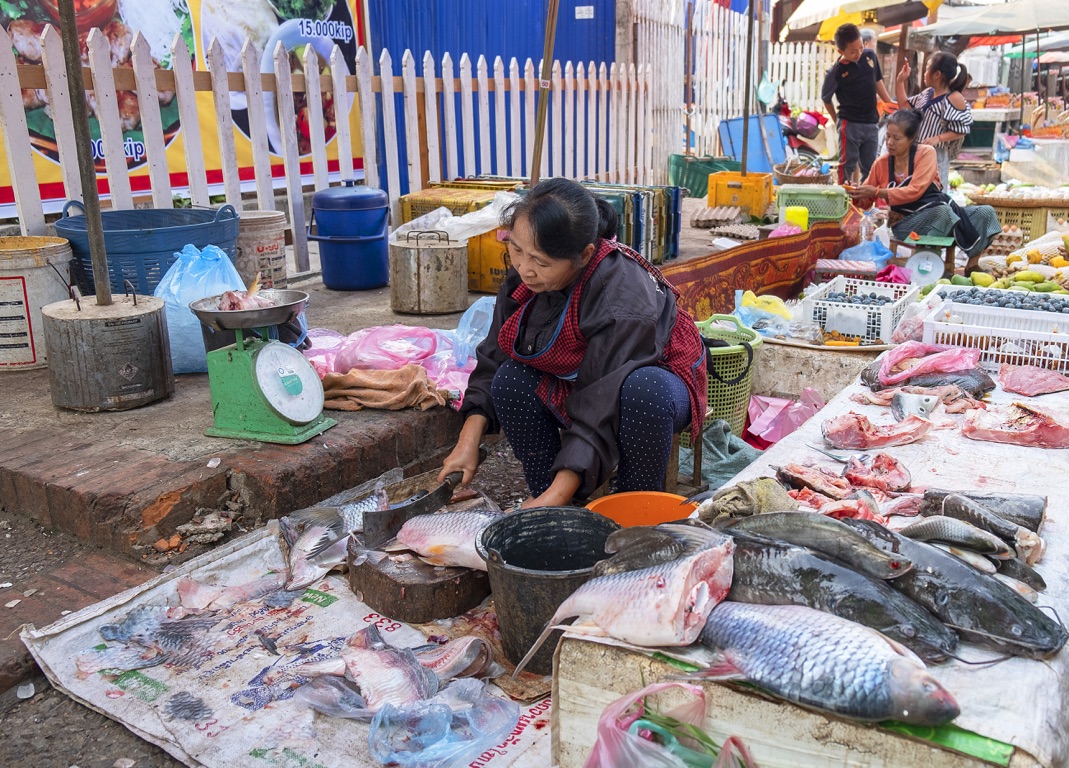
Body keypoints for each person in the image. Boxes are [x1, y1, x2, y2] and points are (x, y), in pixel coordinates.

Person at [438, 178, 708, 509]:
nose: (525, 269)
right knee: (510, 379)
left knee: (643, 391)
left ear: (584, 255)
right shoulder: (525, 274)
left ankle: (634, 504)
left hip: (652, 382)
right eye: (516, 249)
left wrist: (557, 495)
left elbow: (600, 402)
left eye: (541, 262)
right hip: (580, 379)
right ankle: (551, 499)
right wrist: (467, 441)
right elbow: (494, 357)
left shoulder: (621, 296)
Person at [845, 109, 1000, 271]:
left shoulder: (926, 153)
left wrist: (877, 192)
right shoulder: (881, 164)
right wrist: (856, 193)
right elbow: (866, 202)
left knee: (985, 212)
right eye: (888, 136)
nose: (889, 142)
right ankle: (927, 268)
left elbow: (916, 190)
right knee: (943, 212)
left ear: (911, 138)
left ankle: (972, 266)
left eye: (896, 138)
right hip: (906, 224)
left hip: (942, 216)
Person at [822, 23, 895, 185]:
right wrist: (837, 120)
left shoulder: (870, 55)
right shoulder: (835, 72)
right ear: (841, 51)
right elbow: (826, 99)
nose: (859, 53)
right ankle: (844, 197)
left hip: (871, 122)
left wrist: (889, 102)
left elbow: (877, 80)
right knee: (847, 165)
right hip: (849, 124)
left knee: (871, 167)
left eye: (861, 47)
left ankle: (866, 199)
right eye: (853, 51)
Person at [897, 52, 973, 190]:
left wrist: (937, 138)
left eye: (927, 69)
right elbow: (905, 107)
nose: (924, 73)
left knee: (934, 193)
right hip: (916, 152)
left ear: (937, 74)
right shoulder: (928, 93)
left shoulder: (954, 98)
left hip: (936, 156)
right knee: (913, 191)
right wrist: (900, 81)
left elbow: (961, 130)